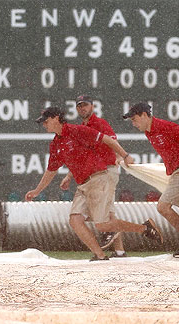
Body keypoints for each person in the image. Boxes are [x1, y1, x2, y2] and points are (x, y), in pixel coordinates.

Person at [25, 106, 163, 261]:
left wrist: (125, 155)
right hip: (83, 184)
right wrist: (37, 191)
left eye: (46, 121)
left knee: (103, 225)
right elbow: (51, 170)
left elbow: (107, 139)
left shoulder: (77, 130)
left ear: (57, 118)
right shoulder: (56, 144)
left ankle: (144, 229)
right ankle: (100, 255)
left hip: (98, 178)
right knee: (75, 220)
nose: (44, 125)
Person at [122, 102, 179, 258]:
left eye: (134, 119)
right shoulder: (149, 131)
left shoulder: (164, 126)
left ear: (145, 115)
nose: (133, 124)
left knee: (163, 207)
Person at [59, 95, 126, 258]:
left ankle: (109, 235)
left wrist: (121, 156)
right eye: (80, 106)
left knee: (106, 209)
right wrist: (69, 175)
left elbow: (112, 140)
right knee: (109, 208)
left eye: (86, 105)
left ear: (93, 106)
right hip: (96, 171)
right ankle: (120, 251)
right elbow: (82, 156)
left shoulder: (99, 123)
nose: (83, 108)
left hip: (107, 169)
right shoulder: (82, 127)